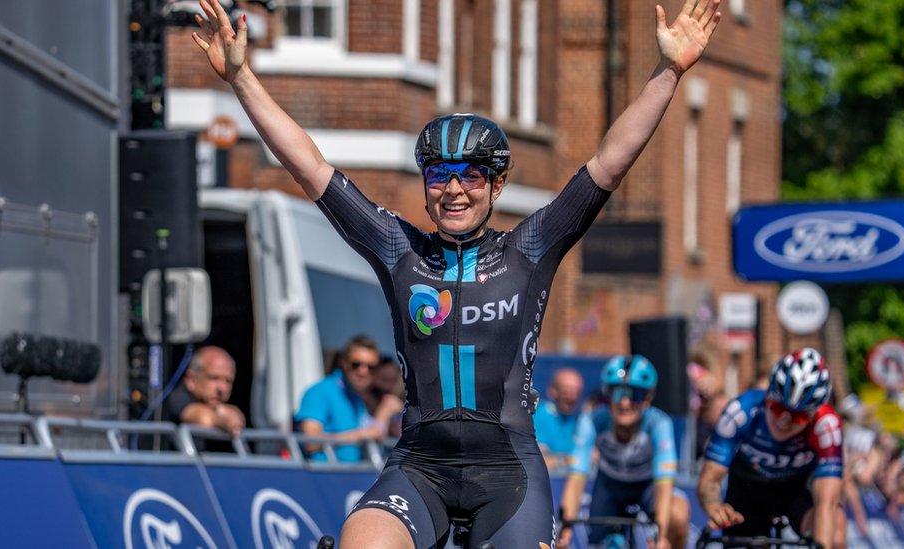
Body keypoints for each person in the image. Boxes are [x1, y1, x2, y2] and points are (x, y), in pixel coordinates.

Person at [191, 0, 723, 546]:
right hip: (419, 466)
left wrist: (668, 73)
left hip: (508, 470)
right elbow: (310, 167)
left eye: (471, 176)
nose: (453, 189)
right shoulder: (400, 249)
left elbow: (610, 162)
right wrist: (242, 78)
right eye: (439, 175)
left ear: (496, 187)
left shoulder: (530, 250)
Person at [697, 347, 846, 549]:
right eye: (778, 407)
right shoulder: (741, 411)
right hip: (748, 492)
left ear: (813, 413)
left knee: (835, 532)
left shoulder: (826, 426)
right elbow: (710, 480)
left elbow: (826, 503)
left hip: (796, 493)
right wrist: (714, 506)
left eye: (797, 416)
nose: (784, 420)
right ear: (768, 395)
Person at [558, 356, 689, 549]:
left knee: (677, 515)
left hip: (647, 487)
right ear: (607, 396)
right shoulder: (593, 420)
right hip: (610, 486)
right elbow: (576, 478)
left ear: (647, 399)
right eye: (617, 393)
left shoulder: (659, 424)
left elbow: (664, 482)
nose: (625, 403)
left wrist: (661, 534)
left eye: (635, 394)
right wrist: (566, 529)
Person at [296, 335, 389, 462]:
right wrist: (362, 434)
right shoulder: (320, 391)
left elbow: (376, 433)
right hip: (323, 476)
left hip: (352, 476)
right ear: (343, 362)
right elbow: (311, 441)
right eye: (356, 364)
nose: (363, 371)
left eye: (370, 367)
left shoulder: (358, 398)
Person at [165, 345, 245, 437]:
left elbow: (237, 417)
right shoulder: (176, 398)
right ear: (191, 379)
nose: (222, 388)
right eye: (214, 378)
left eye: (228, 381)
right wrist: (223, 417)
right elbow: (203, 418)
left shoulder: (210, 403)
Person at [533, 368, 585, 470]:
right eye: (567, 391)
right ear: (552, 391)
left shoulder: (579, 420)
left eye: (577, 391)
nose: (572, 396)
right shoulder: (539, 416)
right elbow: (537, 461)